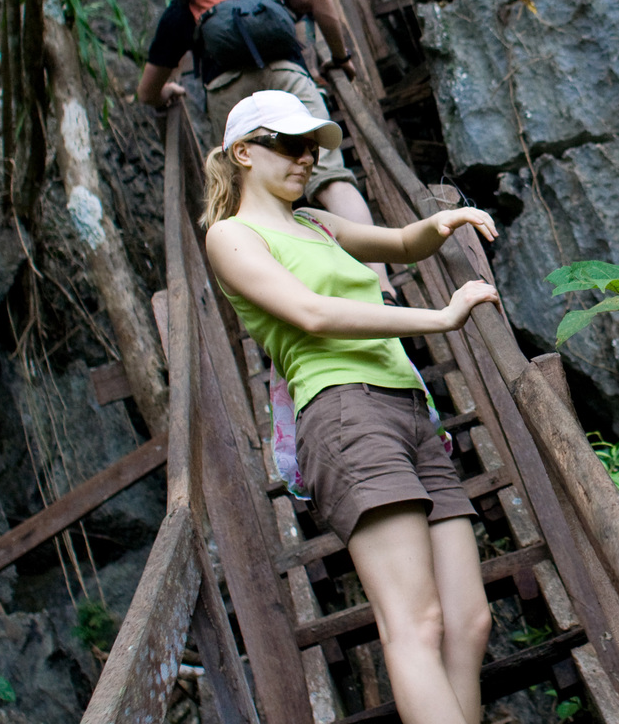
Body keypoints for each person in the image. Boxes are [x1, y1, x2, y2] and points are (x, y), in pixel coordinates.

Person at [203, 90, 498, 724]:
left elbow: (399, 241)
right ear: (243, 152)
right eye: (288, 144)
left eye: (312, 146)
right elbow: (311, 312)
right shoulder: (231, 235)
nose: (306, 158)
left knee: (469, 621)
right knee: (415, 623)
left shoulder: (315, 223)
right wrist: (438, 318)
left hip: (409, 413)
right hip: (343, 414)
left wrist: (445, 222)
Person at [137, 0, 398, 301]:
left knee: (253, 196)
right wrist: (339, 58)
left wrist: (165, 93)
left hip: (229, 91)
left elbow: (147, 89)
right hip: (287, 75)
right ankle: (380, 282)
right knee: (330, 177)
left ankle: (287, 296)